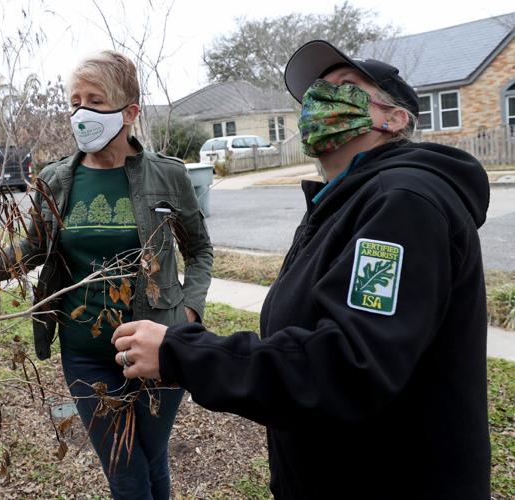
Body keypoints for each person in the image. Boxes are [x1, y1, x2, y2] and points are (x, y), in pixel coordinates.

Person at [112, 39, 491, 499]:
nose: (318, 98)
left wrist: (181, 354)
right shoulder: (342, 201)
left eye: (345, 86)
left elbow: (348, 366)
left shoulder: (403, 205)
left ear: (394, 119)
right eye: (315, 90)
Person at [0, 50, 213, 499]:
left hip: (158, 344)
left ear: (130, 112)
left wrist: (190, 307)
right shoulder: (55, 180)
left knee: (151, 458)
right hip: (85, 353)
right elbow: (32, 249)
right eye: (75, 101)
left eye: (95, 100)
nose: (81, 112)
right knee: (126, 473)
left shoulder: (169, 176)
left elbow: (200, 249)